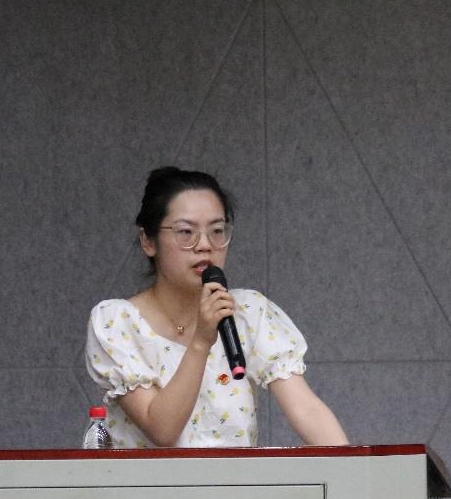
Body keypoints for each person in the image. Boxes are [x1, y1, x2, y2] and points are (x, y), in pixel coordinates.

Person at [85, 167, 349, 448]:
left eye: (217, 231)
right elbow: (162, 431)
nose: (205, 245)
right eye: (186, 232)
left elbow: (306, 410)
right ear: (148, 241)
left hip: (238, 478)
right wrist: (201, 341)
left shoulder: (248, 311)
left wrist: (352, 468)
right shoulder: (116, 322)